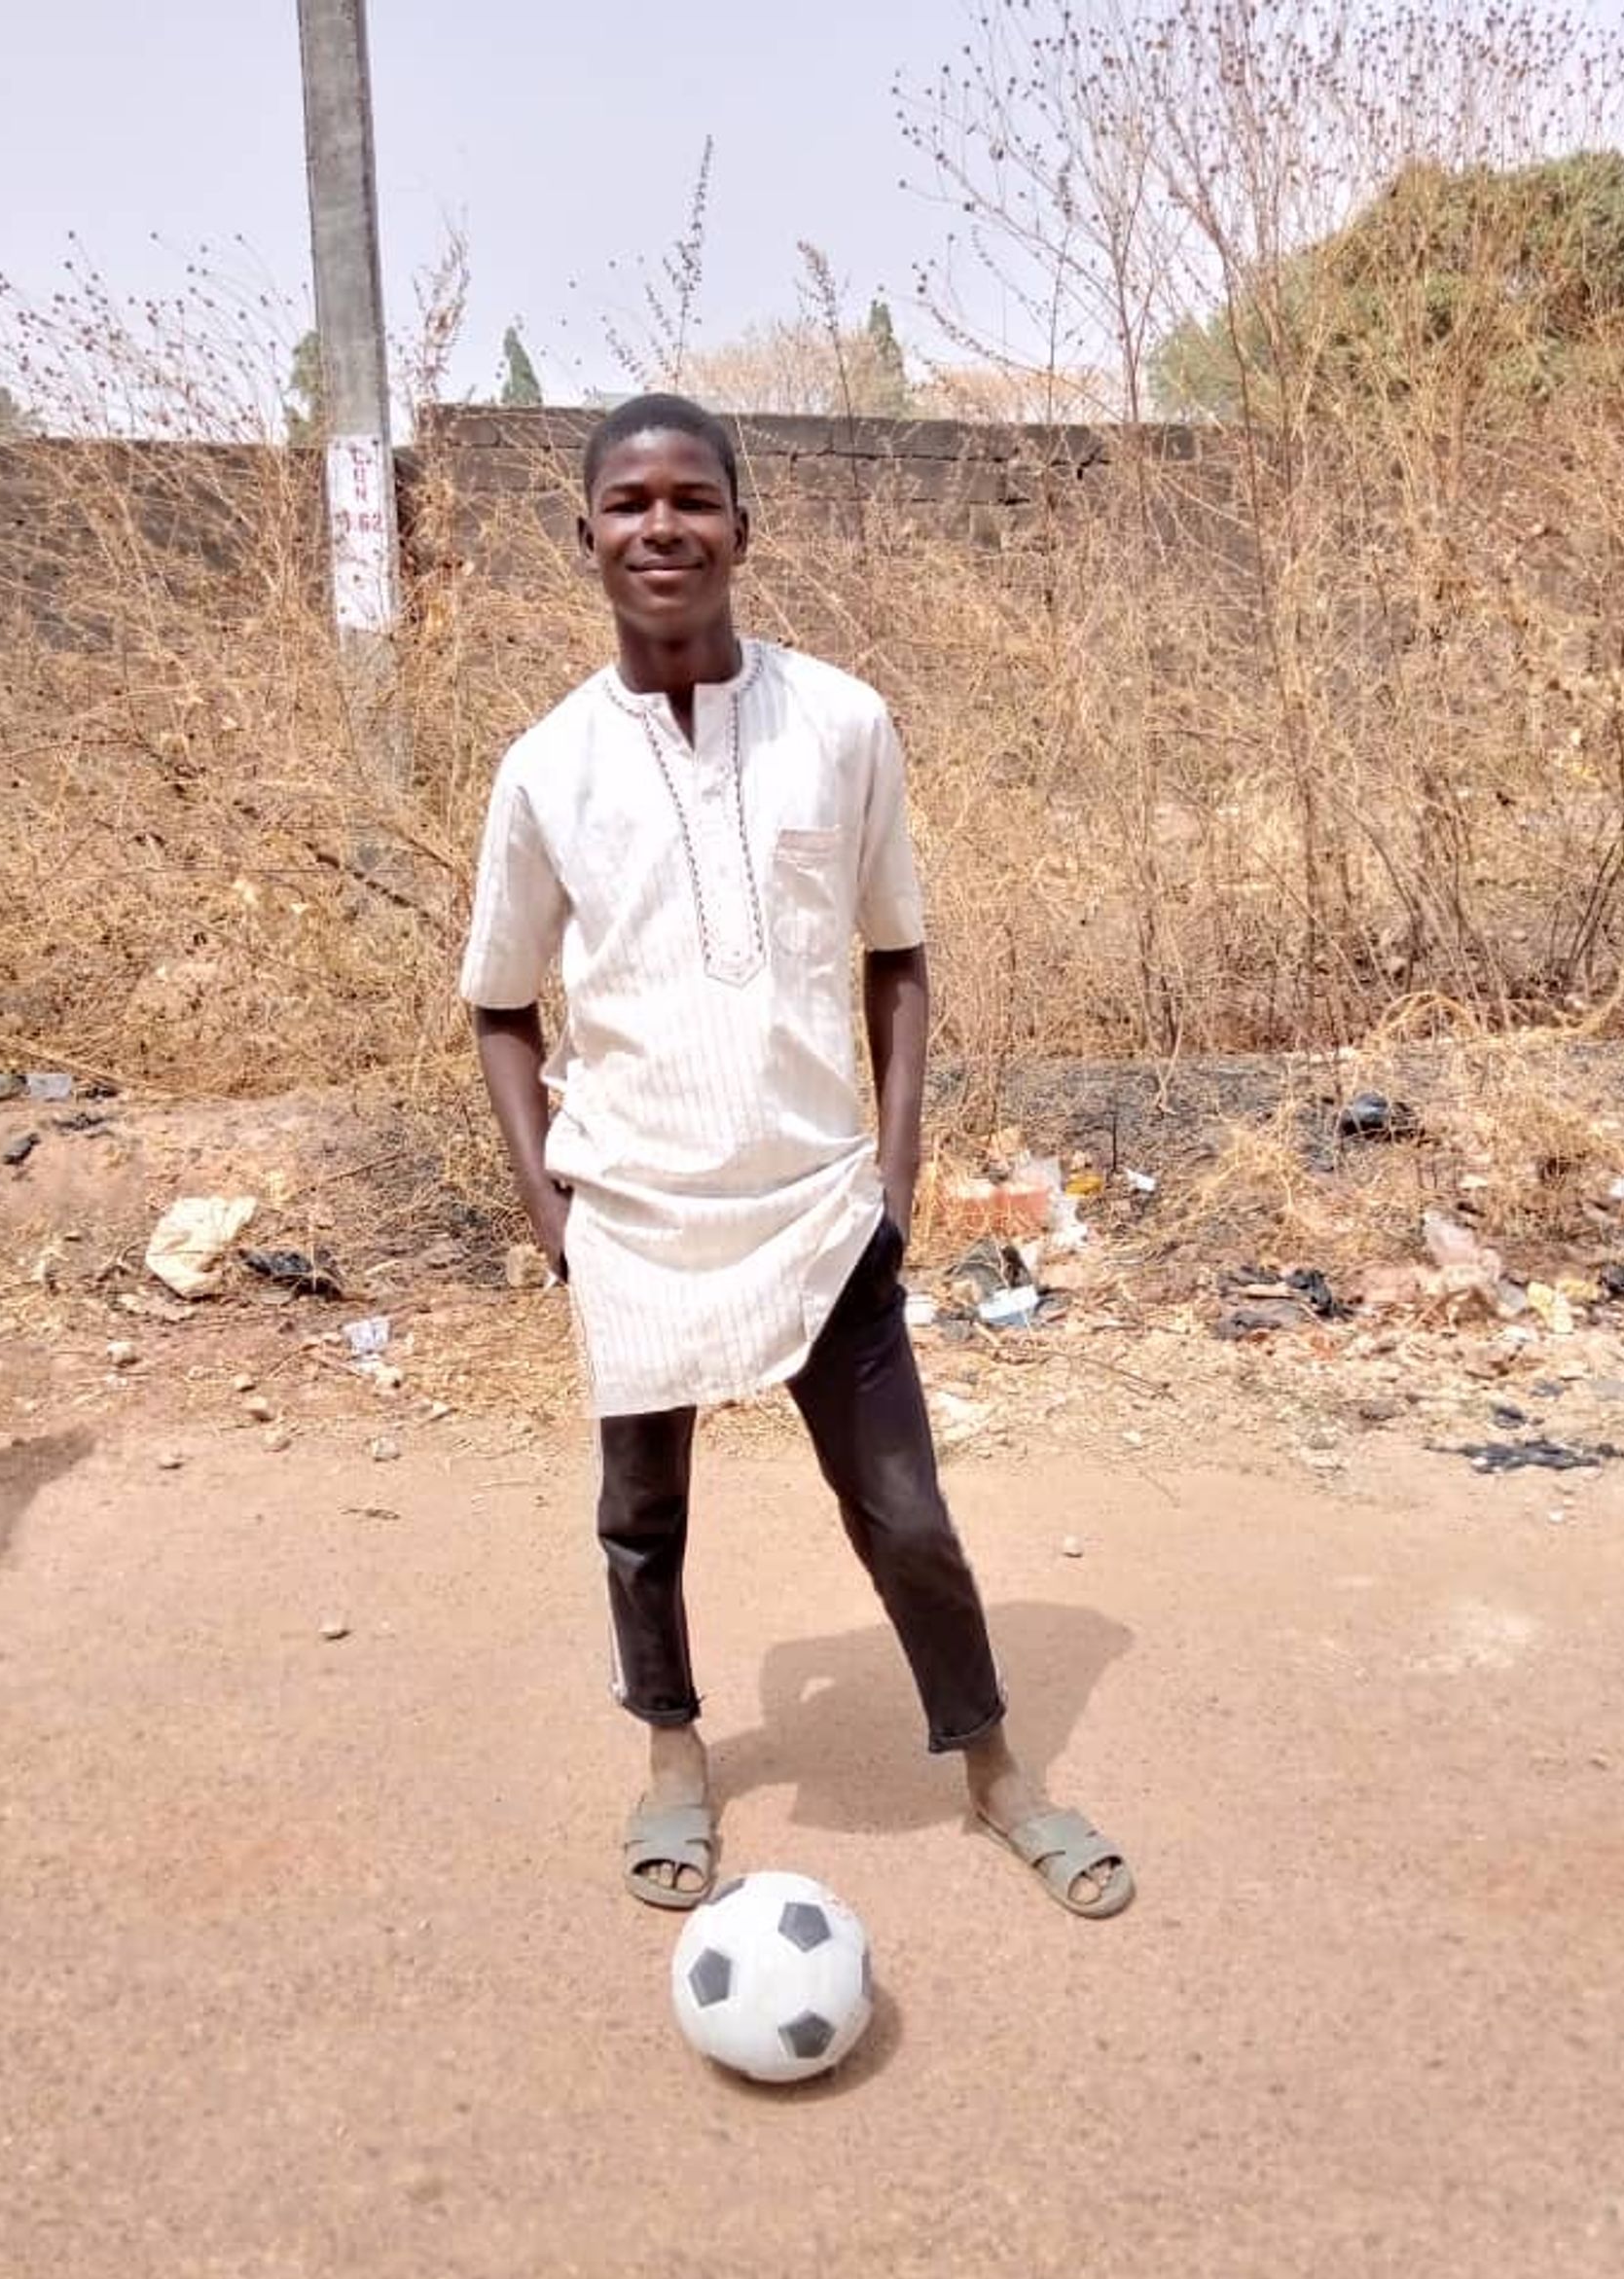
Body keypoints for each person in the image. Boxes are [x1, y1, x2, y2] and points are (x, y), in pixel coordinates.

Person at [460, 392, 1133, 1920]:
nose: (662, 528)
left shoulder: (841, 724)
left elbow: (899, 955)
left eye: (692, 499)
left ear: (742, 531)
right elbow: (498, 1001)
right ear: (585, 537)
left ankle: (998, 1773)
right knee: (641, 1518)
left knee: (906, 1513)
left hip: (822, 1208)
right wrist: (551, 1206)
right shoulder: (546, 769)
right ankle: (674, 1756)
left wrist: (891, 1178)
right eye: (629, 504)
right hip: (636, 1213)